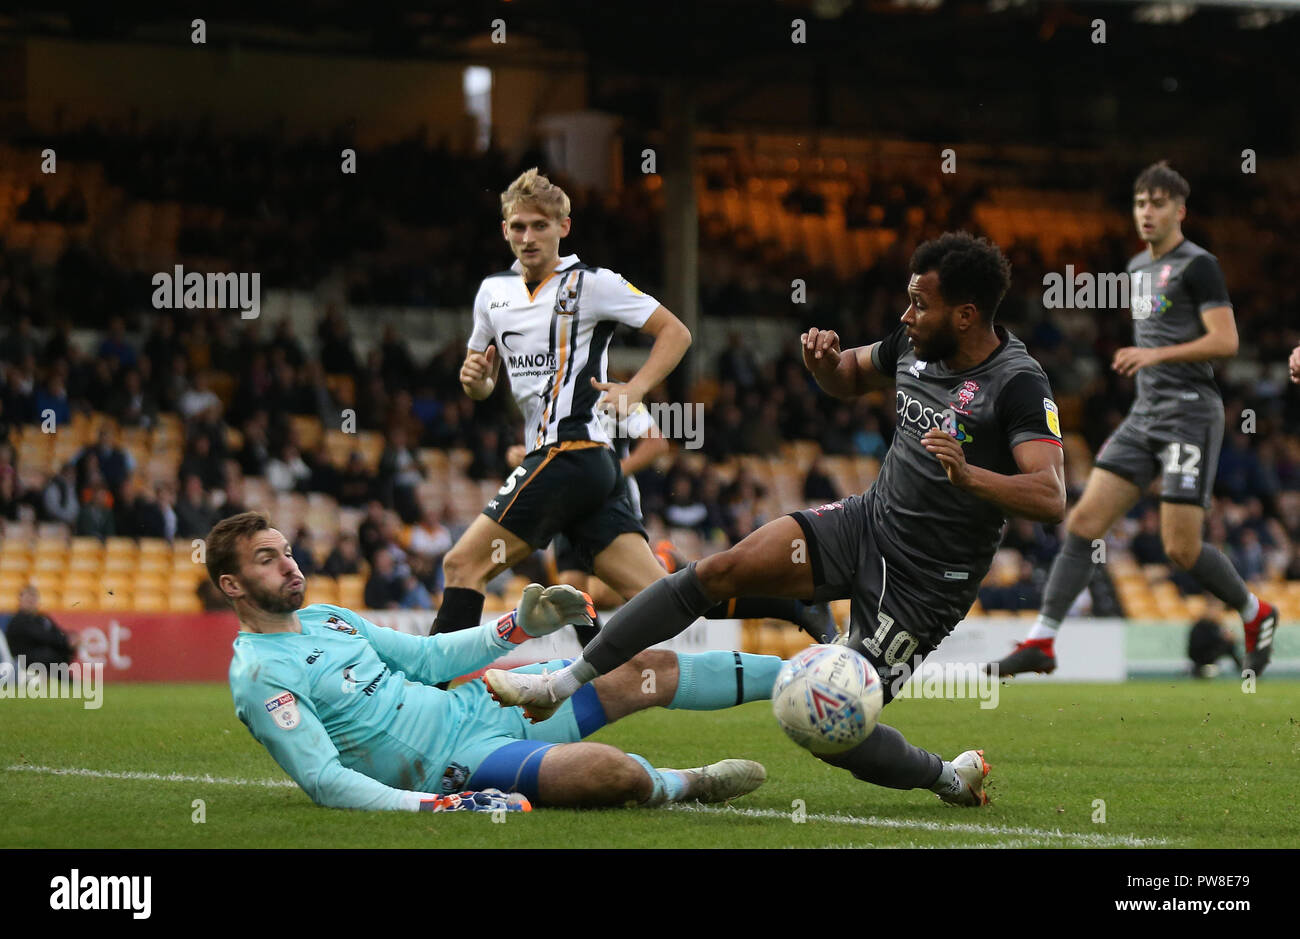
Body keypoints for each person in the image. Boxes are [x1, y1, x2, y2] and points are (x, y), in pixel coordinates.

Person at [486, 232, 1064, 807]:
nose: (906, 315)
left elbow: (1049, 494)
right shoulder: (915, 346)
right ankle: (557, 684)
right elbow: (850, 376)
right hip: (865, 523)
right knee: (718, 570)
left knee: (829, 725)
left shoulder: (1017, 384)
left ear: (965, 316)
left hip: (925, 582)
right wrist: (824, 366)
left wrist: (970, 478)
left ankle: (947, 777)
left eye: (921, 304)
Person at [439, 167, 821, 643]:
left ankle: (425, 696)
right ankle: (793, 603)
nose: (528, 236)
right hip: (581, 469)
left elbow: (676, 332)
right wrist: (476, 381)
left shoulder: (592, 283)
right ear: (504, 231)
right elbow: (479, 382)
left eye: (539, 225)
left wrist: (636, 387)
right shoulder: (492, 294)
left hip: (571, 452)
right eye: (518, 226)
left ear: (563, 227)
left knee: (461, 564)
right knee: (663, 595)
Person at [212, 511, 773, 812]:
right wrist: (436, 805)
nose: (289, 565)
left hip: (477, 704)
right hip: (457, 765)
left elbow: (428, 658)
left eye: (286, 551)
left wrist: (519, 627)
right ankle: (689, 783)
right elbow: (324, 780)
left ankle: (805, 674)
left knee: (645, 668)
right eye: (268, 559)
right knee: (612, 773)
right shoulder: (261, 675)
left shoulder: (328, 617)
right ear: (232, 585)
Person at [991, 162, 1277, 680]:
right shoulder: (1136, 268)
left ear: (1180, 210)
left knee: (1180, 548)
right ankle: (1043, 640)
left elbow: (1226, 341)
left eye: (1158, 203)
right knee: (1082, 523)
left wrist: (1156, 357)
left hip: (1191, 413)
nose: (1147, 211)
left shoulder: (1200, 265)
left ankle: (1256, 612)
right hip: (1145, 415)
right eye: (1141, 202)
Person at [5, 585, 78, 668]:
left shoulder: (42, 618)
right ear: (20, 600)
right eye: (28, 598)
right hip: (25, 658)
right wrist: (65, 640)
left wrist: (68, 639)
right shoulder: (18, 620)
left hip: (43, 654)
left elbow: (56, 632)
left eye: (33, 598)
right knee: (47, 654)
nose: (31, 601)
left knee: (64, 651)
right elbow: (40, 636)